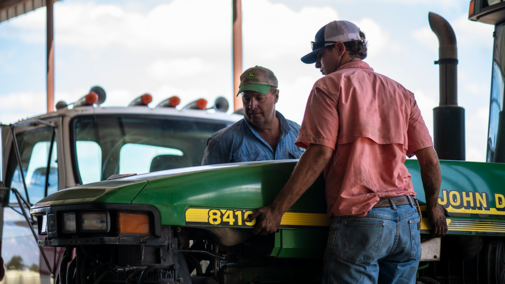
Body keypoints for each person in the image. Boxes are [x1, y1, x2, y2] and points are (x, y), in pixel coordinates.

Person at [247, 21, 448, 283]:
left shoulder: (329, 86)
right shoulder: (402, 93)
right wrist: (433, 206)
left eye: (320, 56)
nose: (318, 65)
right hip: (407, 220)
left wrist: (277, 210)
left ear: (340, 48)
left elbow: (319, 153)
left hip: (363, 219)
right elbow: (430, 160)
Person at [202, 66, 304, 165]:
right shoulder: (222, 142)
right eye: (246, 99)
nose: (252, 105)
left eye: (259, 98)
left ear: (276, 96)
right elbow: (207, 181)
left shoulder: (299, 135)